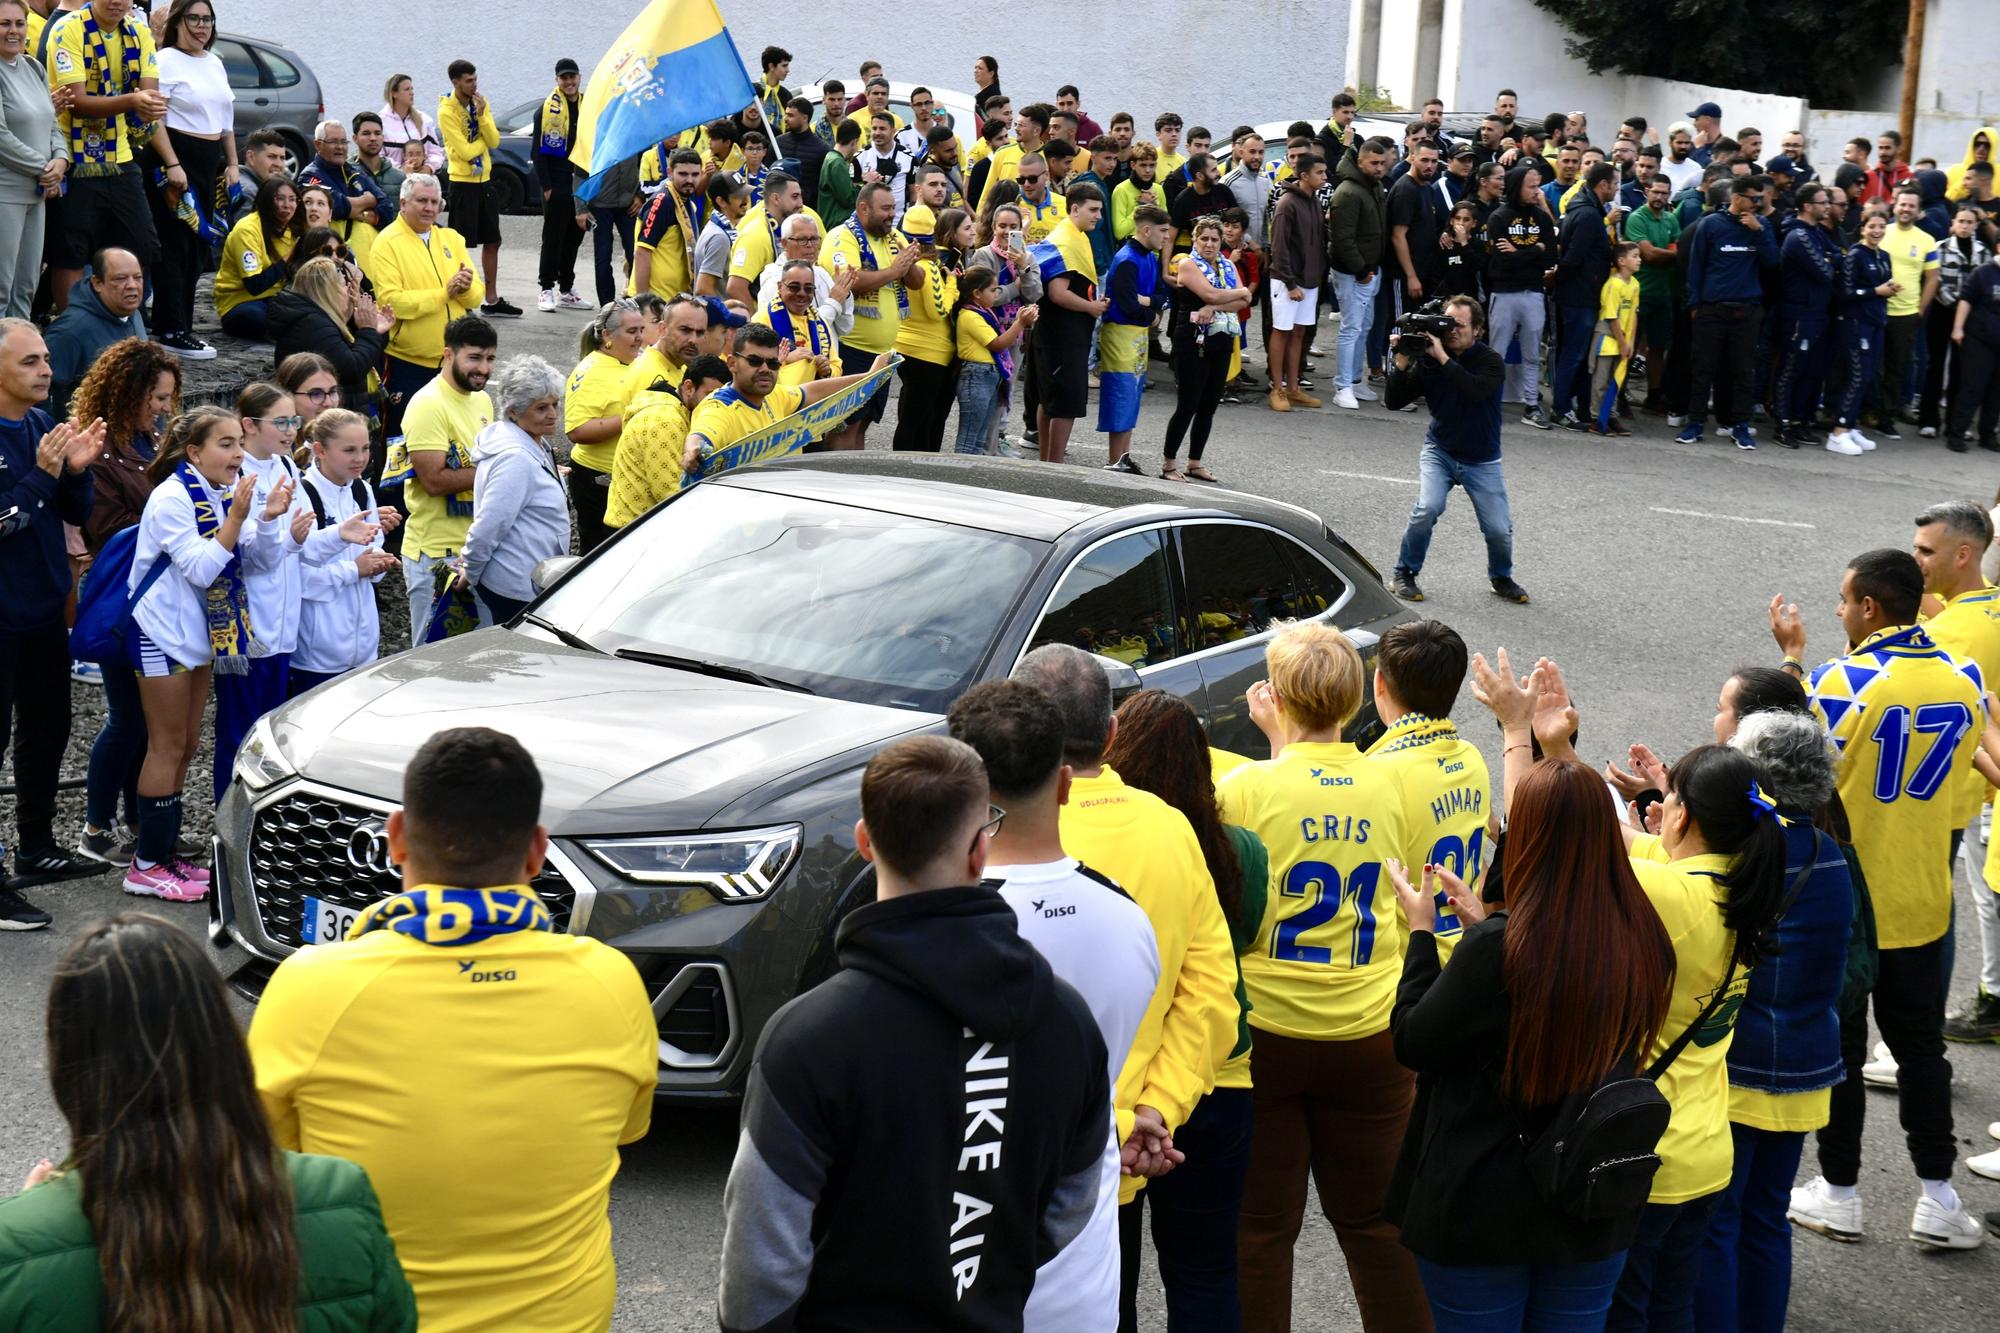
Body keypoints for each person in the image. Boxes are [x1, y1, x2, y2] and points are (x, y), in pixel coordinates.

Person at [250, 727, 654, 1330]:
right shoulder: (612, 984)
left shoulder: (312, 988)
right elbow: (625, 1130)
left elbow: (259, 1159)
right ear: (537, 851)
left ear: (396, 839)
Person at [717, 734, 1110, 1330]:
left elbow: (761, 1256)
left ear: (864, 843)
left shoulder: (808, 1037)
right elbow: (1071, 1201)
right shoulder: (1066, 1019)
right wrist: (986, 1271)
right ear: (981, 850)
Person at [0, 913, 417, 1328]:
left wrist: (26, 1224)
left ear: (68, 1065)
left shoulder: (17, 1244)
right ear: (223, 1040)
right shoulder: (344, 1194)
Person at [1385, 758, 1672, 1332]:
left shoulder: (1499, 948)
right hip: (1592, 1194)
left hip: (1481, 1201)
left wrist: (1422, 933)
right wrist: (1482, 933)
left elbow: (1414, 1040)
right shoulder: (1643, 933)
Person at [1008, 643, 1236, 1332]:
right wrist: (1159, 1107)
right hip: (1120, 1156)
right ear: (1111, 732)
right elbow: (1211, 991)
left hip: (1003, 1160)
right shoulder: (1169, 829)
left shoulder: (991, 832)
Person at [1215, 622, 1431, 1333]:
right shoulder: (1394, 782)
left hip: (1267, 1033)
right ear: (1356, 697)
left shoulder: (1246, 786)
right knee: (1377, 1225)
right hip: (1369, 1028)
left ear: (1275, 697)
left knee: (1260, 1234)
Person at [1772, 550, 1988, 1252]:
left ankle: (1840, 1192)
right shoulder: (1963, 678)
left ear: (1869, 606)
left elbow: (1793, 766)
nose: (1837, 608)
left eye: (1843, 599)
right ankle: (1939, 1195)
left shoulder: (1844, 679)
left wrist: (1794, 662)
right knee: (1921, 1049)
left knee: (1842, 1048)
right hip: (1925, 894)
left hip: (1850, 904)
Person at [944, 680, 1161, 1333]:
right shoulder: (1128, 918)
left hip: (957, 1273)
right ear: (1066, 784)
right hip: (1080, 1284)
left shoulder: (938, 930)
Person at [1102, 689, 1269, 1328]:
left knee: (1110, 1276)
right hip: (1217, 1078)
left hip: (1124, 1087)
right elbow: (1249, 938)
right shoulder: (1238, 847)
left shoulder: (1105, 841)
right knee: (1204, 1273)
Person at [1691, 706, 1855, 1333]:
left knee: (1716, 1225)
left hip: (1737, 1068)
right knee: (1766, 1220)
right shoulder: (1831, 854)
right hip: (1808, 1065)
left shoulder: (1744, 859)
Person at [120, 407, 286, 899]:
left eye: (239, 442)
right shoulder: (172, 497)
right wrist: (237, 517)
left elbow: (253, 555)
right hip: (160, 634)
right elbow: (201, 568)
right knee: (166, 744)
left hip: (194, 636)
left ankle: (165, 853)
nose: (238, 454)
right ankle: (146, 864)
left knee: (187, 744)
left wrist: (269, 519)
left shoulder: (215, 493)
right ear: (194, 452)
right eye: (226, 444)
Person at [0, 321, 99, 922]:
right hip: (2, 619)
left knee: (47, 731)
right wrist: (42, 475)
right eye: (30, 362)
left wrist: (78, 472)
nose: (46, 371)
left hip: (42, 611)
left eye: (45, 359)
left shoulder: (43, 425)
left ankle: (35, 847)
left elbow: (74, 512)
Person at [69, 337, 173, 869]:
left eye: (169, 397)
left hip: (157, 600)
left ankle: (138, 821)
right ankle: (93, 827)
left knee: (148, 723)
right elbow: (106, 529)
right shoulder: (103, 450)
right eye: (156, 396)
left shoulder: (149, 440)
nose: (164, 407)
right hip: (123, 600)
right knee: (126, 720)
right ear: (128, 391)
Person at [1386, 295, 1528, 605]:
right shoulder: (1430, 357)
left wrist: (1442, 359)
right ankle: (1404, 573)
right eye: (1447, 323)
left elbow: (1474, 390)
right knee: (1427, 508)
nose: (1452, 331)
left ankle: (1500, 577)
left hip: (1482, 459)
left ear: (1477, 330)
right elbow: (1394, 401)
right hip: (1441, 451)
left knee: (1498, 530)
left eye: (1460, 325)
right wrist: (1400, 363)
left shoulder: (1490, 361)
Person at [44, 0, 161, 308]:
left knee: (142, 244)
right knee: (70, 252)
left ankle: (119, 322)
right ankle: (73, 326)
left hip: (121, 155)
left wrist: (147, 106)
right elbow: (77, 102)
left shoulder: (139, 31)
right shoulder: (67, 28)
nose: (114, 1)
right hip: (73, 156)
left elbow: (149, 94)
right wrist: (136, 102)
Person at [366, 173, 483, 439]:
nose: (429, 208)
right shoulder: (386, 243)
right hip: (407, 362)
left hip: (451, 361)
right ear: (403, 203)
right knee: (400, 438)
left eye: (434, 201)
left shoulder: (451, 238)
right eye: (422, 201)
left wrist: (464, 289)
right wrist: (445, 293)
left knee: (448, 438)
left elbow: (476, 297)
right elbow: (393, 302)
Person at [686, 322, 889, 475]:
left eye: (773, 363)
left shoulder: (774, 395)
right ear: (732, 363)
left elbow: (813, 391)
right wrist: (693, 450)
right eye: (755, 361)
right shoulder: (719, 407)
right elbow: (702, 434)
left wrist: (870, 376)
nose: (765, 369)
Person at [400, 314, 494, 634]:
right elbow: (434, 480)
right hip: (436, 557)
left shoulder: (482, 399)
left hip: (475, 552)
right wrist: (500, 471)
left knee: (476, 664)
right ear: (448, 354)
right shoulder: (428, 404)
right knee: (432, 664)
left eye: (490, 358)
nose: (483, 368)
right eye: (474, 358)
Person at [291, 408, 394, 697]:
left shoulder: (361, 489)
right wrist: (355, 570)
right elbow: (297, 575)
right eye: (349, 450)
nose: (360, 458)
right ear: (320, 450)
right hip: (317, 655)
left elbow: (373, 550)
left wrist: (379, 564)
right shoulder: (302, 494)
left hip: (365, 648)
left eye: (365, 448)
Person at [1673, 177, 1778, 450]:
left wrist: (1760, 233)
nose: (1759, 203)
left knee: (1743, 372)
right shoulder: (1710, 225)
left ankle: (1740, 426)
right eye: (1754, 199)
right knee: (1703, 369)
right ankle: (1695, 423)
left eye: (1761, 199)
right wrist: (1695, 306)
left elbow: (1773, 263)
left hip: (1747, 311)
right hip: (1712, 310)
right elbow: (1696, 268)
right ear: (1738, 197)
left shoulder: (1761, 225)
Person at [461, 356, 567, 623]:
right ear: (513, 411)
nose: (553, 414)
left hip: (527, 576)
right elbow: (489, 526)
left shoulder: (527, 440)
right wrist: (470, 573)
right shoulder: (516, 458)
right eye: (542, 408)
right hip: (518, 585)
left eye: (555, 404)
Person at [820, 181, 917, 450]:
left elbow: (916, 282)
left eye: (894, 208)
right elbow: (852, 280)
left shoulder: (894, 236)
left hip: (883, 353)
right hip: (853, 349)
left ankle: (852, 482)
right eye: (885, 208)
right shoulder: (843, 236)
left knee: (863, 423)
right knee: (844, 425)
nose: (892, 215)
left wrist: (910, 264)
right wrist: (894, 271)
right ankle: (837, 483)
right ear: (863, 208)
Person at [1161, 214, 1249, 483]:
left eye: (1214, 239)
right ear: (1195, 240)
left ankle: (1194, 462)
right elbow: (1214, 293)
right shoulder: (1187, 264)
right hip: (1191, 340)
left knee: (1209, 405)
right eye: (1204, 239)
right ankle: (1168, 463)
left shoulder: (1227, 266)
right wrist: (1233, 294)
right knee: (1188, 403)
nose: (1209, 244)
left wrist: (1215, 305)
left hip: (1221, 339)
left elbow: (1243, 302)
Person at [603, 352, 727, 529]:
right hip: (633, 533)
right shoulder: (665, 420)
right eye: (709, 396)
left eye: (718, 399)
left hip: (639, 526)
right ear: (689, 387)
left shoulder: (673, 410)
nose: (713, 405)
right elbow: (670, 493)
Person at [1031, 182, 1106, 464]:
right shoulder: (1066, 240)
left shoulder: (1073, 233)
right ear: (1074, 209)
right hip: (1062, 335)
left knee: (1050, 401)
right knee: (1063, 404)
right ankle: (1055, 464)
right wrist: (1092, 307)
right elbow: (1057, 293)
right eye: (1093, 210)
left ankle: (1048, 462)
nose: (1098, 216)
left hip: (1059, 334)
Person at [560, 298, 642, 553]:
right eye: (632, 332)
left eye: (641, 329)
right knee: (600, 555)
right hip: (597, 482)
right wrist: (632, 417)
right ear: (607, 335)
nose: (640, 337)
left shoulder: (634, 361)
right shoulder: (591, 371)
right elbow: (577, 430)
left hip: (627, 477)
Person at [267, 256, 393, 421]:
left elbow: (365, 355)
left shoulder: (319, 319)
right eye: (343, 284)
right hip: (325, 422)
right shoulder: (312, 324)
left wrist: (368, 328)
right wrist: (368, 330)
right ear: (327, 290)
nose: (349, 290)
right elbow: (352, 368)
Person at [436, 59, 513, 319]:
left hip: (485, 181)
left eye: (475, 79)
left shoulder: (480, 103)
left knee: (493, 241)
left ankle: (491, 299)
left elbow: (495, 140)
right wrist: (481, 141)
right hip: (462, 183)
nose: (474, 85)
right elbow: (466, 151)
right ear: (455, 82)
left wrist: (481, 118)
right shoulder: (447, 111)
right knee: (460, 245)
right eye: (468, 81)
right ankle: (461, 297)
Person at [0, 0, 61, 322]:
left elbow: (53, 123)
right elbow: (1, 137)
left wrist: (61, 161)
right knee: (1, 286)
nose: (13, 31)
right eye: (4, 24)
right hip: (5, 194)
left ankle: (20, 359)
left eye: (19, 23)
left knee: (25, 286)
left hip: (37, 194)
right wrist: (45, 169)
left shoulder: (34, 68)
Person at [1097, 204, 1166, 472]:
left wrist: (1148, 304)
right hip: (1121, 335)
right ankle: (1115, 459)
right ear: (1146, 230)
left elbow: (1163, 296)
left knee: (1133, 394)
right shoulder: (1127, 259)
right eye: (1162, 231)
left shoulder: (1150, 256)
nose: (1166, 237)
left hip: (1136, 337)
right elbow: (1126, 303)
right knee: (1121, 394)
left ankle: (1124, 456)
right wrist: (1152, 316)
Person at [1551, 164, 1619, 428]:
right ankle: (1560, 408)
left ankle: (1575, 406)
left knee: (1578, 354)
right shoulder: (1589, 215)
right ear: (1603, 184)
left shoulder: (1586, 210)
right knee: (1574, 354)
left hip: (1582, 294)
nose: (1616, 189)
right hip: (1579, 296)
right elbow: (1573, 258)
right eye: (1614, 184)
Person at [1772, 184, 1840, 447]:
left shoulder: (1817, 233)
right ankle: (1783, 424)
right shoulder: (1798, 236)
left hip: (1818, 313)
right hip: (1799, 313)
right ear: (1808, 206)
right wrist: (1829, 262)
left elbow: (1838, 258)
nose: (1828, 207)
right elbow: (1825, 273)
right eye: (1823, 202)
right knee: (1791, 369)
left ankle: (1799, 421)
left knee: (1811, 370)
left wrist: (1830, 260)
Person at [1327, 137, 1392, 410]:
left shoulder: (1373, 186)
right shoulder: (1349, 192)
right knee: (1351, 328)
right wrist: (1361, 269)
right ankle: (1342, 386)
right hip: (1353, 272)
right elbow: (1342, 238)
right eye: (1373, 163)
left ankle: (1354, 379)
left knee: (1363, 326)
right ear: (1360, 161)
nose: (1379, 168)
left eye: (1382, 163)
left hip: (1369, 270)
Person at [1825, 212, 1897, 455]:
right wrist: (1875, 291)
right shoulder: (1855, 255)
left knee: (1867, 377)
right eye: (1872, 226)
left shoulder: (1884, 256)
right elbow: (1845, 293)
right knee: (1856, 376)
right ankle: (1838, 432)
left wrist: (1889, 290)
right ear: (1862, 229)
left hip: (1876, 323)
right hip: (1856, 323)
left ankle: (1851, 424)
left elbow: (1883, 287)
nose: (1877, 231)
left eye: (1882, 226)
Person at [45, 245, 144, 414]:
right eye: (120, 279)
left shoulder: (133, 314)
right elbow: (41, 393)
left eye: (138, 277)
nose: (132, 286)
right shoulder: (70, 330)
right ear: (97, 283)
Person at [1921, 207, 1991, 444]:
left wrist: (1968, 307)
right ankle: (1929, 420)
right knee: (1936, 365)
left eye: (1970, 222)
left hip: (1969, 318)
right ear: (1953, 223)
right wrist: (1957, 302)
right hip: (1942, 312)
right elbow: (1936, 281)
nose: (1965, 225)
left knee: (1963, 371)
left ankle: (1956, 423)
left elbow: (1984, 286)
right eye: (1961, 221)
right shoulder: (1940, 247)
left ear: (1975, 225)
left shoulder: (1983, 252)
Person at [889, 215, 959, 453]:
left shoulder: (900, 264)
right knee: (915, 420)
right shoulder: (928, 267)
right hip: (929, 353)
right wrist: (952, 285)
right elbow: (937, 310)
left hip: (905, 346)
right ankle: (903, 469)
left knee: (911, 415)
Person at [947, 266, 1033, 456]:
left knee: (979, 439)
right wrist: (1020, 323)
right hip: (976, 375)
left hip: (987, 375)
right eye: (993, 290)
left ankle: (971, 478)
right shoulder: (969, 315)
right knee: (968, 440)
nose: (997, 294)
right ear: (977, 293)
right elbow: (997, 343)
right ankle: (959, 478)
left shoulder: (982, 311)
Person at [1268, 152, 1328, 412]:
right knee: (1281, 331)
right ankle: (1277, 388)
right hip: (1286, 281)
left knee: (1299, 333)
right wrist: (1290, 284)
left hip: (1310, 280)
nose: (1324, 177)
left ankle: (1293, 388)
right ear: (1304, 175)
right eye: (1320, 173)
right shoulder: (1287, 204)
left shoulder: (1315, 201)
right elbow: (1278, 249)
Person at [530, 57, 586, 313]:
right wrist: (547, 186)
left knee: (574, 237)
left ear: (579, 78)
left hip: (582, 180)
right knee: (553, 238)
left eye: (572, 77)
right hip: (557, 181)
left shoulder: (589, 106)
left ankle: (566, 289)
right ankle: (546, 289)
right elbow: (537, 152)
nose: (569, 81)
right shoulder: (546, 109)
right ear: (557, 80)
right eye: (564, 78)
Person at [1587, 241, 1643, 436]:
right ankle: (1596, 418)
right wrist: (1621, 342)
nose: (1639, 260)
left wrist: (1630, 343)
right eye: (1634, 256)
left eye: (1639, 256)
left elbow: (1634, 314)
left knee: (1615, 381)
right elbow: (1611, 317)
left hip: (1624, 341)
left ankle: (1610, 416)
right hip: (1607, 338)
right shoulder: (1613, 284)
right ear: (1621, 261)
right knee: (1601, 380)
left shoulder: (1635, 284)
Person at [1951, 240, 2000, 449]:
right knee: (1973, 387)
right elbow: (1966, 299)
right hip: (1979, 339)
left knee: (1996, 391)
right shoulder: (1983, 272)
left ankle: (1987, 435)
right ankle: (1957, 434)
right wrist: (1958, 328)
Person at [378, 71, 442, 173]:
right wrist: (400, 170)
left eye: (412, 89)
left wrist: (429, 168)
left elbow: (436, 151)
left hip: (425, 180)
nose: (412, 92)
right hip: (395, 183)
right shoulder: (380, 123)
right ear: (394, 94)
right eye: (407, 89)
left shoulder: (424, 119)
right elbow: (378, 157)